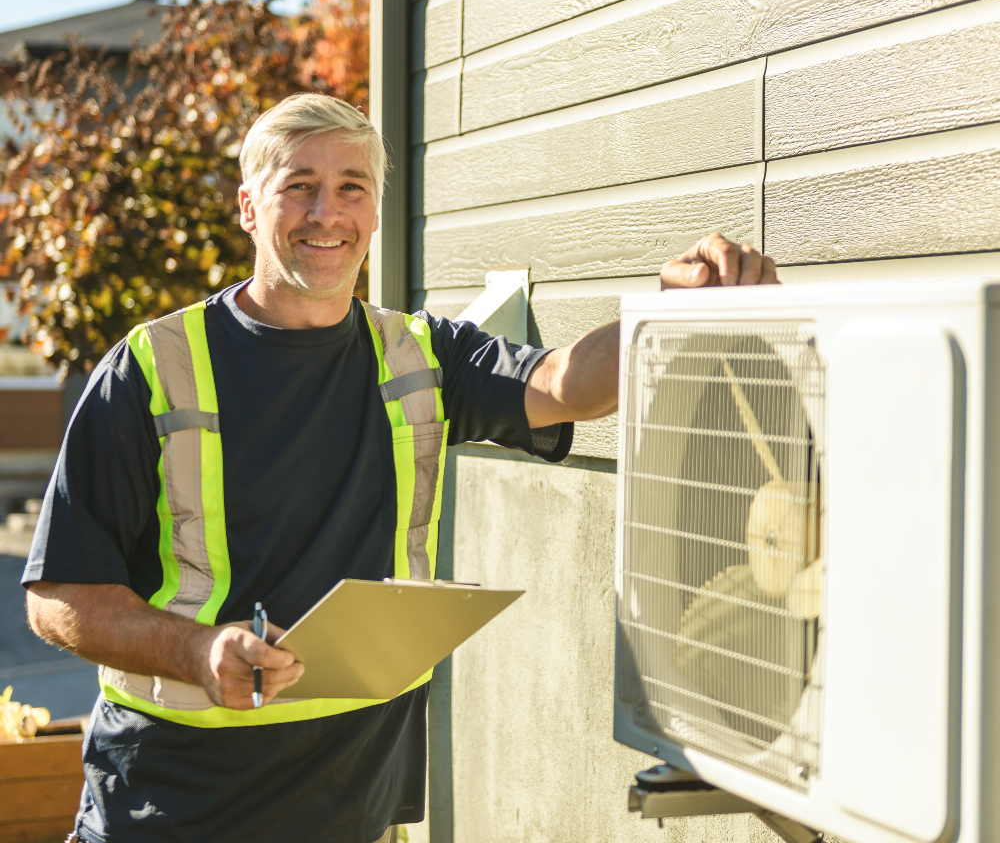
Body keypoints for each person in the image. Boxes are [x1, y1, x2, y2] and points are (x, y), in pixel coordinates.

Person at [21, 93, 778, 843]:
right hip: (176, 810)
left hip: (355, 805)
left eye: (352, 187)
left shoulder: (419, 353)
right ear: (249, 208)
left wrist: (667, 311)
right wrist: (194, 648)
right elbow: (56, 597)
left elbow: (564, 386)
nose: (328, 212)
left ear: (376, 213)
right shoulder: (152, 368)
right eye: (299, 186)